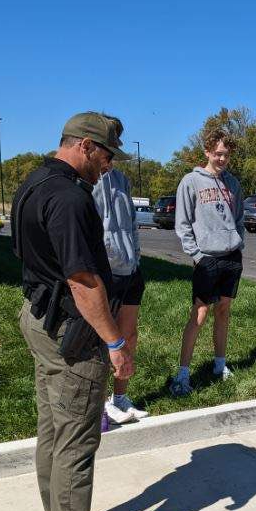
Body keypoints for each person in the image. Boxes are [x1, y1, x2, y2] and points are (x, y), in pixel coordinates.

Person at [12, 112, 136, 511]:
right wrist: (115, 342)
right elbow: (83, 281)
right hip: (71, 328)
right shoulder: (70, 198)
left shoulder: (34, 182)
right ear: (85, 146)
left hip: (39, 315)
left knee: (54, 428)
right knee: (77, 435)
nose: (108, 166)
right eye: (105, 156)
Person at [170, 128, 245, 396]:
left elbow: (238, 219)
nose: (222, 159)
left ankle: (219, 365)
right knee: (199, 314)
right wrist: (197, 255)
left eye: (226, 155)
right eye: (217, 154)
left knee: (223, 310)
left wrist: (238, 243)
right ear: (207, 152)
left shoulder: (233, 183)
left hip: (231, 257)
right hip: (206, 258)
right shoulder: (191, 181)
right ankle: (182, 374)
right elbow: (182, 224)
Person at [92, 164, 149, 424]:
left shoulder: (122, 180)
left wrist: (135, 256)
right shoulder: (88, 180)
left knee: (129, 336)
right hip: (107, 271)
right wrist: (109, 254)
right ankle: (102, 404)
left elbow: (131, 222)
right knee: (107, 338)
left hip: (131, 269)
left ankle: (120, 397)